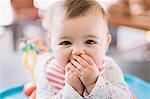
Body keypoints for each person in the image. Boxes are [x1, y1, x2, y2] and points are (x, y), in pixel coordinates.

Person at [36, 0, 132, 98]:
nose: (77, 51)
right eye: (66, 42)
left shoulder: (109, 69)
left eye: (90, 42)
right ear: (51, 43)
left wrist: (94, 84)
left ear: (106, 43)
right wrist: (73, 90)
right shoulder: (49, 75)